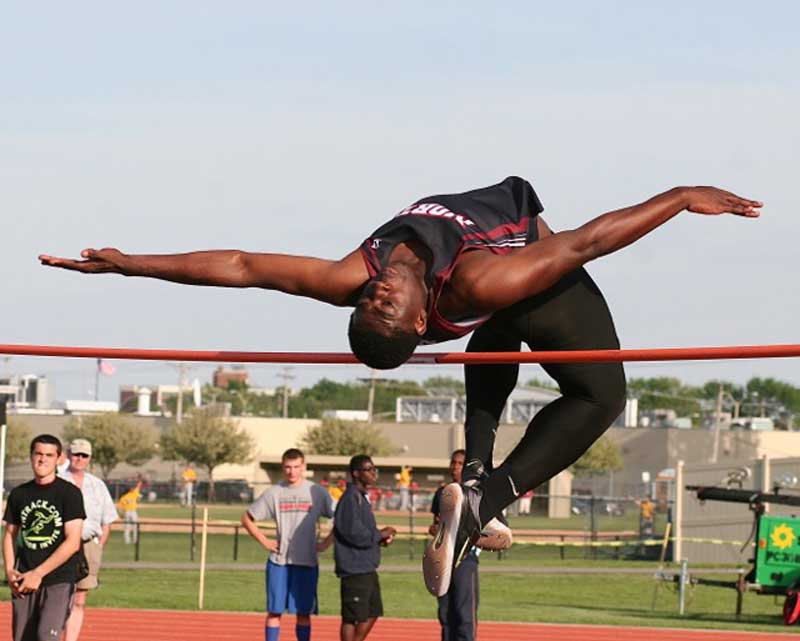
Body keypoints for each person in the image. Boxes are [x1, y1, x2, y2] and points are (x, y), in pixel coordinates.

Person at [40, 176, 762, 595]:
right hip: (533, 265)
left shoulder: (355, 270)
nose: (375, 292)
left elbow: (242, 264)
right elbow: (585, 241)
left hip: (499, 279)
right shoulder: (481, 277)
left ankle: (474, 481)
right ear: (422, 318)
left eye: (369, 300)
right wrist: (679, 196)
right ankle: (486, 499)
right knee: (603, 397)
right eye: (384, 304)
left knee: (495, 342)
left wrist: (133, 264)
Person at [241, 448, 334, 641]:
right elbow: (247, 518)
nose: (292, 471)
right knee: (274, 612)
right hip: (279, 562)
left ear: (304, 467)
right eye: (287, 467)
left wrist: (326, 543)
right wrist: (264, 541)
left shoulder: (317, 492)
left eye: (296, 467)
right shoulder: (274, 493)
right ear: (283, 468)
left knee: (303, 613)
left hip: (306, 562)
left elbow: (342, 517)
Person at [3, 434, 86, 641]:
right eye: (38, 454)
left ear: (58, 459)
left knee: (46, 636)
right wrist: (10, 570)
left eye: (49, 455)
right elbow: (10, 535)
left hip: (58, 579)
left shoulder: (69, 494)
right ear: (31, 456)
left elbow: (73, 542)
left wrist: (38, 573)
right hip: (24, 578)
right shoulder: (19, 494)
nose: (43, 459)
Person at [59, 438, 119, 641]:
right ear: (68, 455)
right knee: (57, 598)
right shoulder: (57, 480)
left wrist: (98, 546)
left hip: (88, 546)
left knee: (79, 600)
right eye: (76, 454)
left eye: (84, 455)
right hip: (60, 545)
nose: (79, 458)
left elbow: (107, 520)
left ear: (89, 458)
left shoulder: (97, 485)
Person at [334, 455, 396, 641]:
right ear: (356, 473)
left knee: (373, 612)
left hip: (367, 567)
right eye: (368, 469)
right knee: (351, 618)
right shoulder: (349, 499)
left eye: (374, 469)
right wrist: (380, 534)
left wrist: (379, 539)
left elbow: (364, 531)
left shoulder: (361, 498)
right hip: (354, 569)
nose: (373, 473)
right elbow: (353, 533)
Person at [428, 450, 479, 641]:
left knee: (464, 615)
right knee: (445, 613)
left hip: (465, 560)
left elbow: (495, 529)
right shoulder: (442, 492)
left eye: (460, 463)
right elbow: (436, 524)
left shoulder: (476, 493)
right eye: (453, 462)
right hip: (443, 560)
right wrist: (436, 530)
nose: (455, 467)